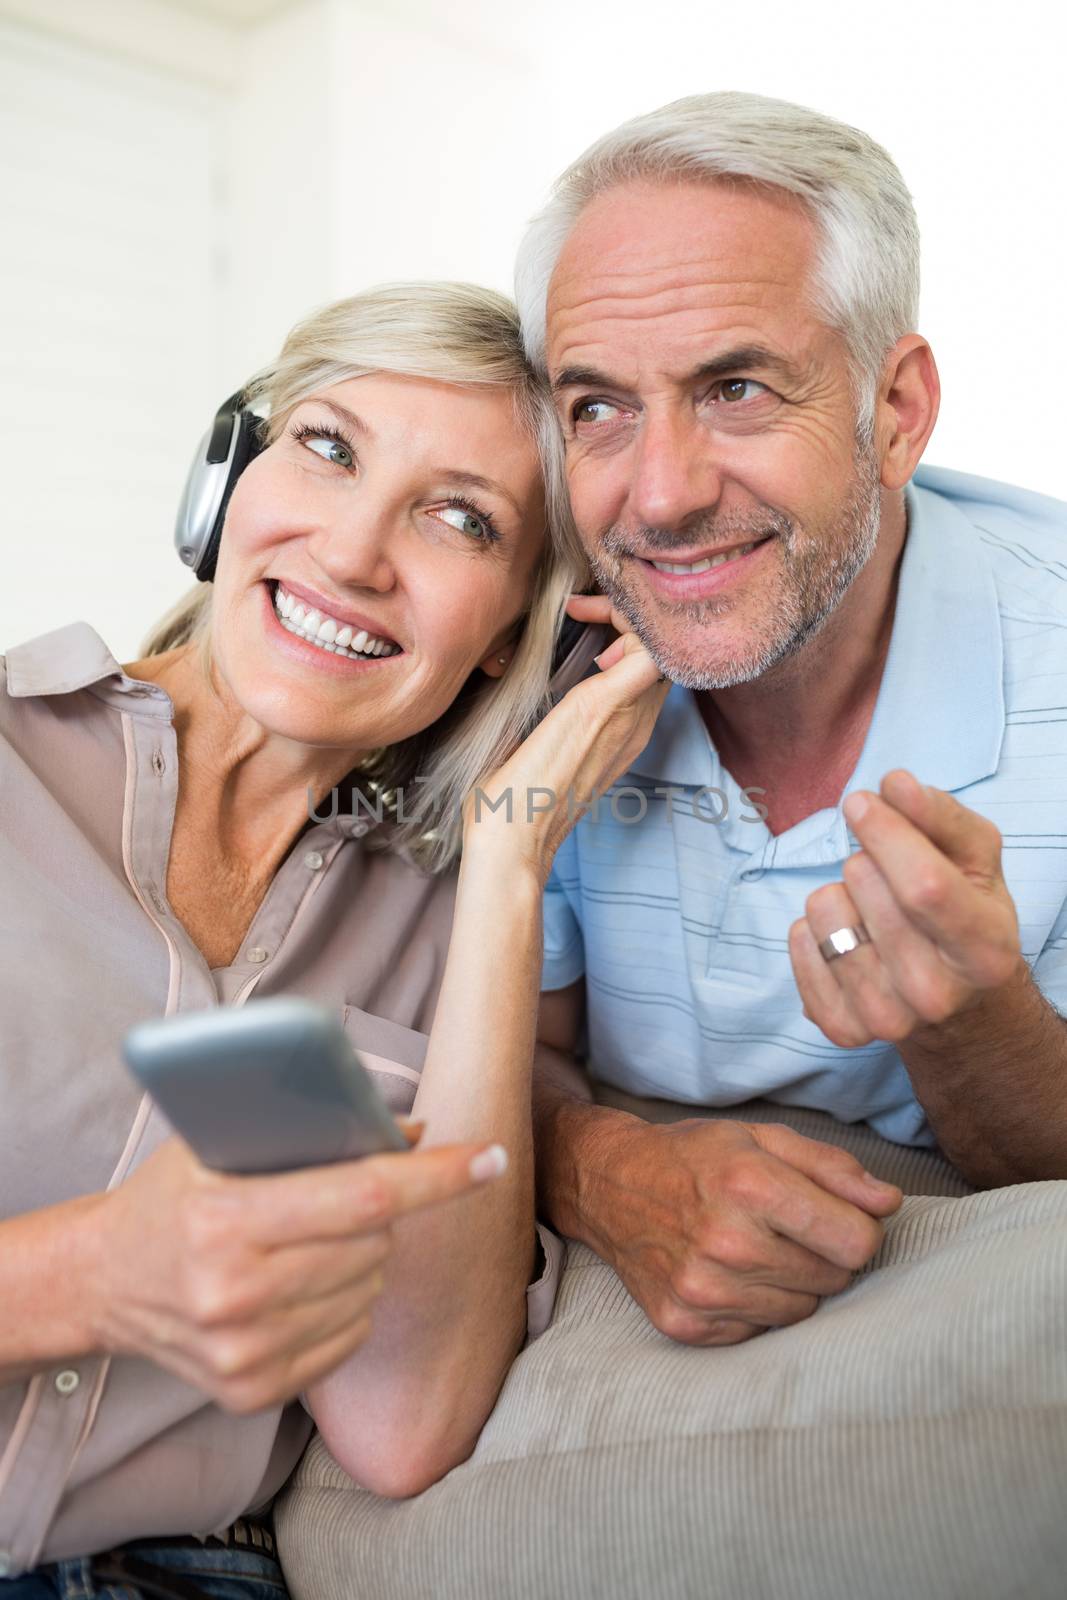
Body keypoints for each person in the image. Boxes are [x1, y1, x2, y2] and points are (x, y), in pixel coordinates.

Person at [0, 280, 669, 1594]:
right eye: (327, 447)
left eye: (457, 519)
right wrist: (83, 1275)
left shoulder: (429, 938)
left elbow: (401, 1419)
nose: (354, 553)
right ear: (228, 479)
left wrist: (507, 856)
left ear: (510, 644)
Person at [511, 91, 1067, 1347]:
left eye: (738, 389)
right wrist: (603, 1168)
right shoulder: (524, 660)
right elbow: (502, 1046)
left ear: (895, 412)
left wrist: (972, 1028)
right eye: (596, 405)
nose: (657, 495)